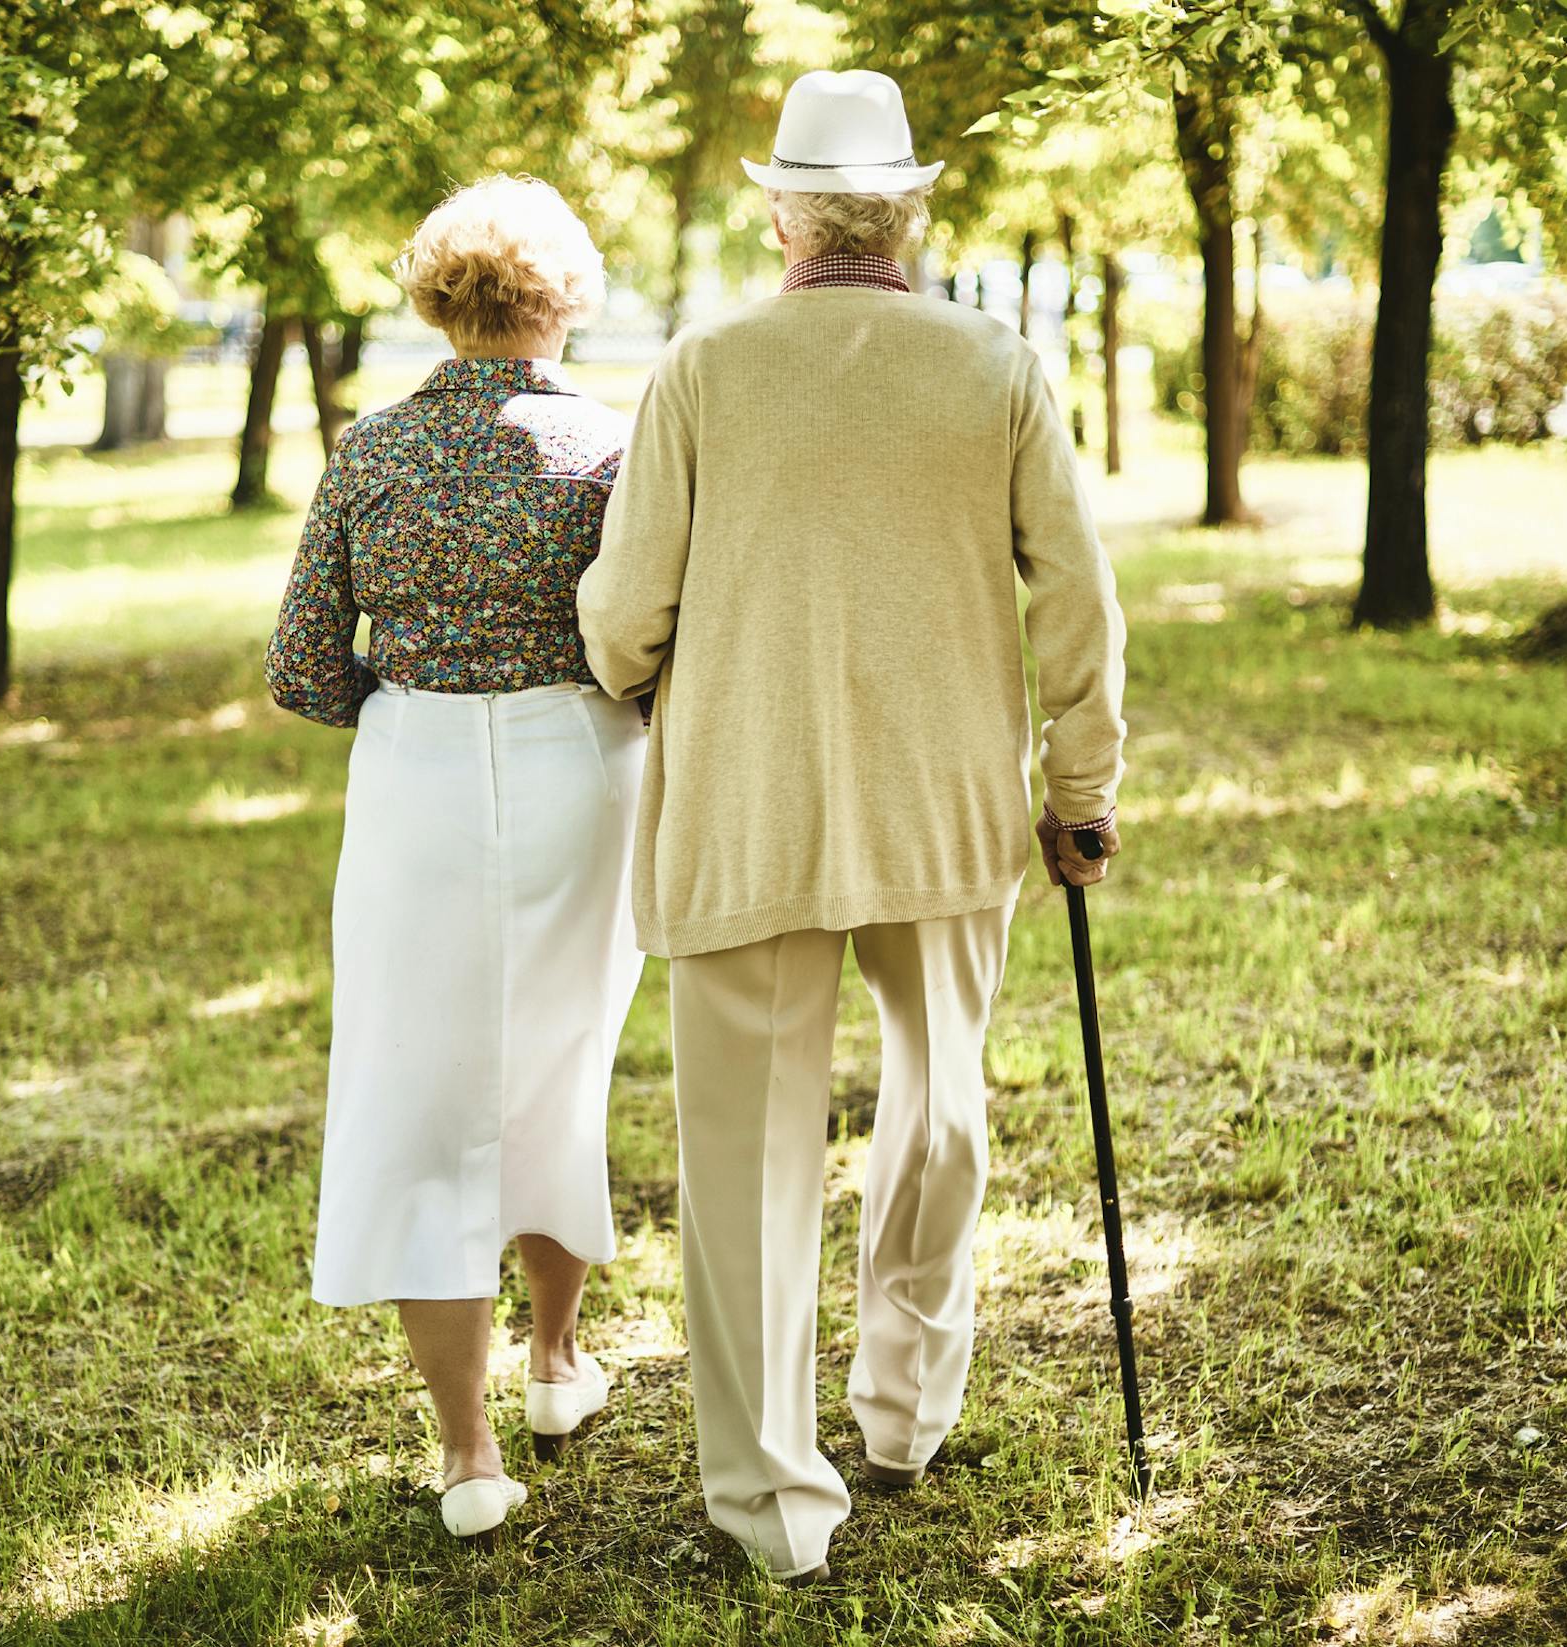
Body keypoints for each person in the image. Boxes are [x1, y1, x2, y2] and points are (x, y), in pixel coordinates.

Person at [576, 69, 1127, 1582]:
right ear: (911, 215)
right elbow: (1077, 596)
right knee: (940, 1106)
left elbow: (626, 611)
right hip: (940, 807)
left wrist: (624, 667)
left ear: (781, 217)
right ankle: (904, 1413)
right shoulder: (996, 364)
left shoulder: (702, 367)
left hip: (750, 801)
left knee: (747, 1153)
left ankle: (770, 1499)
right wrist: (1081, 790)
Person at [267, 175, 643, 1540]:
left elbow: (305, 670)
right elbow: (652, 639)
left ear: (435, 299)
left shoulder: (369, 451)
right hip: (580, 772)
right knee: (558, 1066)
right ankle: (554, 1364)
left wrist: (421, 708)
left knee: (422, 1089)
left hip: (416, 783)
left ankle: (467, 1453)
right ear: (566, 298)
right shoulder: (611, 449)